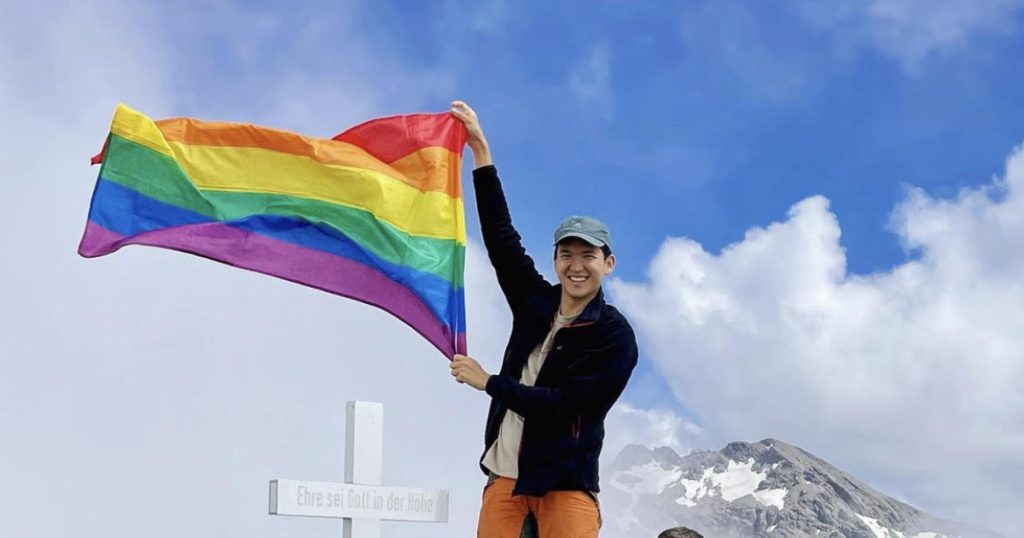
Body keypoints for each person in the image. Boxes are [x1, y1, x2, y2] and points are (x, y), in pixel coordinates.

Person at [448, 101, 639, 538]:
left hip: (566, 486)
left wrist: (489, 382)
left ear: (607, 263)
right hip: (504, 479)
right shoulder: (535, 302)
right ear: (554, 260)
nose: (577, 265)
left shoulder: (614, 336)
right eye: (567, 254)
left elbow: (563, 407)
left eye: (588, 255)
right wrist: (481, 153)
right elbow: (501, 241)